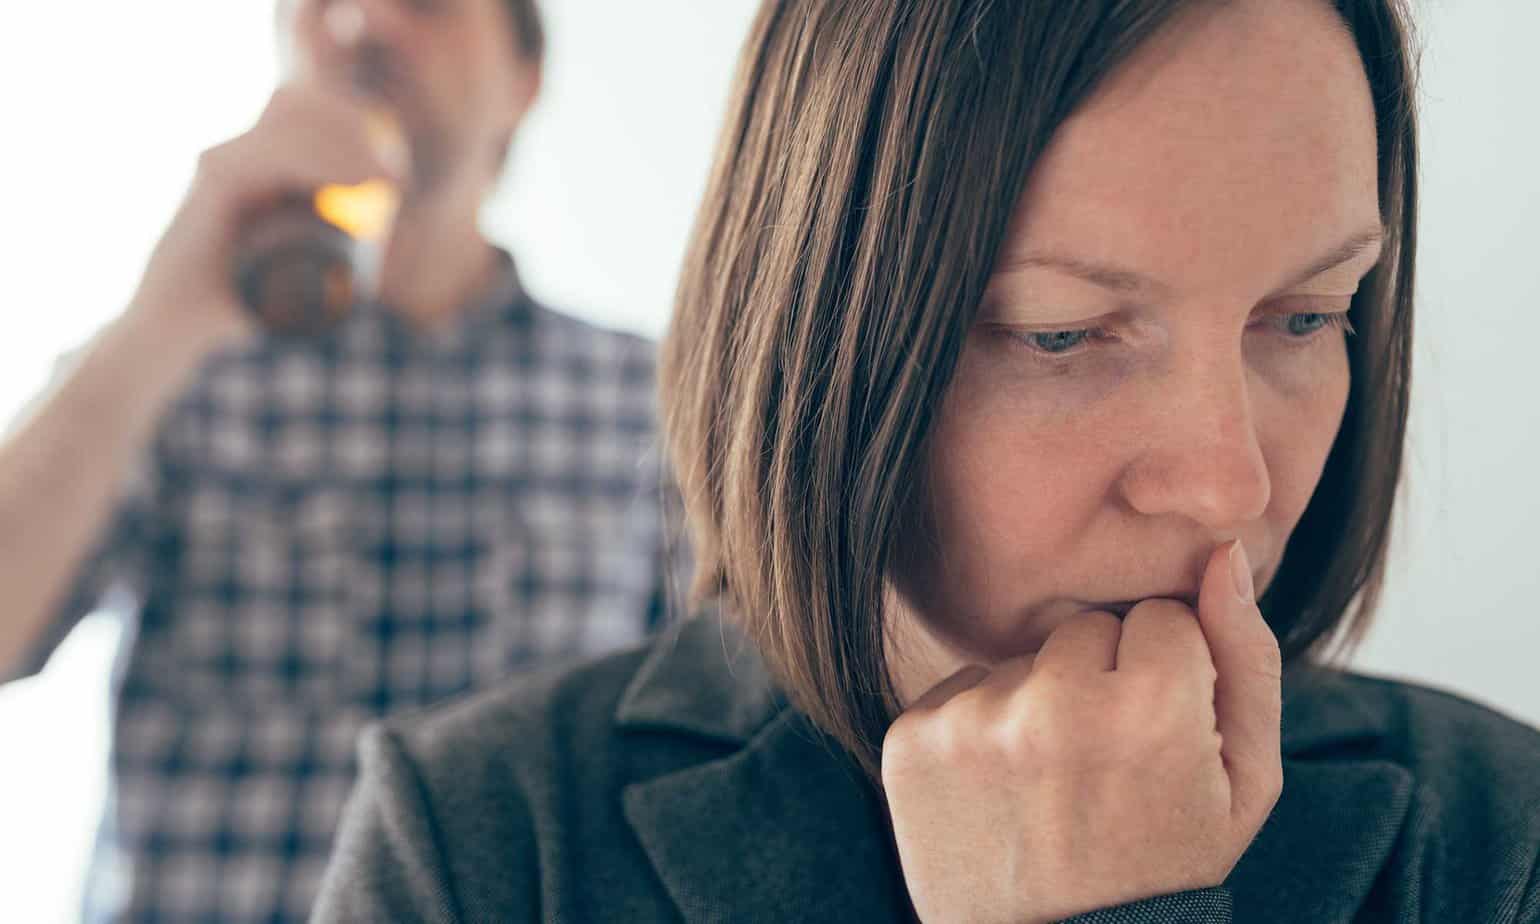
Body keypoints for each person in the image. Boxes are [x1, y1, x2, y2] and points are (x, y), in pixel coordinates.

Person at [312, 0, 1540, 921]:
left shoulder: (1497, 834)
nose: (1229, 485)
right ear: (814, 327)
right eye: (1059, 333)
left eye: (1306, 317)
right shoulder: (478, 839)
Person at [0, 0, 674, 920]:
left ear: (524, 80)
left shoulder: (651, 403)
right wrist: (161, 314)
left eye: (426, 4)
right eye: (319, 2)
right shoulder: (165, 367)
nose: (360, 24)